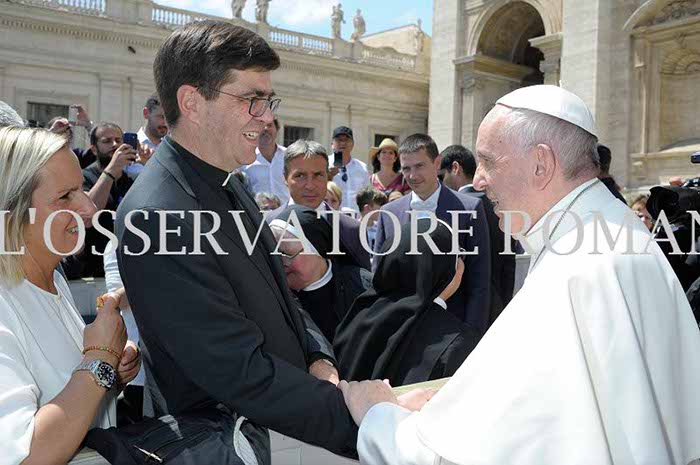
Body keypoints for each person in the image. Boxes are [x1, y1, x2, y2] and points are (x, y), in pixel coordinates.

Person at [339, 85, 700, 465]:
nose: (479, 181)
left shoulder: (575, 272)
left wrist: (378, 417)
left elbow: (463, 457)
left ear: (540, 164)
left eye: (488, 162)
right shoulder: (610, 231)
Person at [115, 20, 357, 461]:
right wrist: (362, 418)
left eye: (268, 101)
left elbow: (282, 297)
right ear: (192, 102)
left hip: (288, 425)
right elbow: (237, 371)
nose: (265, 118)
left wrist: (318, 357)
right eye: (251, 100)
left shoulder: (231, 181)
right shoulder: (156, 215)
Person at [0, 126, 139, 465]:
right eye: (65, 197)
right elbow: (26, 455)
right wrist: (100, 358)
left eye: (81, 190)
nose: (88, 207)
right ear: (12, 212)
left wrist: (111, 373)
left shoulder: (53, 280)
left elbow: (66, 399)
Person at [335, 218, 476, 386]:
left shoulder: (356, 317)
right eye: (458, 255)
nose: (461, 263)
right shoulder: (456, 341)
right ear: (442, 268)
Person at [373, 134, 491, 328]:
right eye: (406, 168)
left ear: (437, 163)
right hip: (400, 328)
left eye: (419, 166)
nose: (413, 176)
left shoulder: (469, 209)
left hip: (453, 327)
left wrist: (472, 332)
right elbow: (379, 278)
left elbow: (479, 280)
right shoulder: (388, 214)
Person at [270, 205, 372, 342]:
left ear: (317, 249)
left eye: (285, 253)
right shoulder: (273, 295)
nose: (280, 262)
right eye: (273, 254)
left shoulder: (365, 289)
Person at [439, 144, 516, 322]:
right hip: (498, 308)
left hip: (459, 314)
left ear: (455, 168)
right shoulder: (502, 205)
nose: (439, 183)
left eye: (441, 176)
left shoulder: (455, 209)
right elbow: (508, 263)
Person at [266, 139, 370, 270]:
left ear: (327, 177)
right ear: (285, 178)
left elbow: (363, 281)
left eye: (318, 175)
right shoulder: (266, 225)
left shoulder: (352, 231)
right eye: (300, 176)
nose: (310, 185)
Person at [239, 117, 289, 204]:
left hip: (287, 211)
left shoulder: (289, 156)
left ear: (277, 129)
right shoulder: (245, 160)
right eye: (261, 125)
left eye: (269, 125)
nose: (265, 128)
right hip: (257, 211)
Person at [328, 126, 370, 211]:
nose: (343, 143)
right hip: (331, 214)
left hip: (355, 215)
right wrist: (328, 176)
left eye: (346, 140)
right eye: (339, 140)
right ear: (332, 144)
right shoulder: (324, 164)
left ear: (352, 144)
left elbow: (367, 195)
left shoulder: (362, 167)